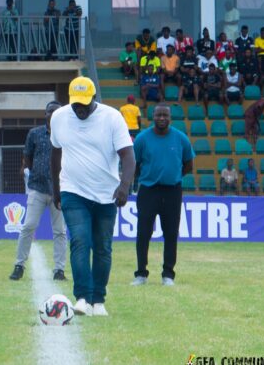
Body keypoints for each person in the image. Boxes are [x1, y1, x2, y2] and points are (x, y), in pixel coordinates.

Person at [50, 76, 135, 316]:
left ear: (94, 99)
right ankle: (82, 298)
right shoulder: (59, 118)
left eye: (85, 104)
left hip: (107, 194)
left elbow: (128, 156)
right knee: (79, 241)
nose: (80, 109)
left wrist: (124, 185)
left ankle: (98, 300)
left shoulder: (112, 118)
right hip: (73, 191)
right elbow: (55, 154)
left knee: (102, 248)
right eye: (76, 104)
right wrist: (57, 189)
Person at [133, 104, 194, 287]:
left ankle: (168, 274)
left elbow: (189, 164)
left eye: (165, 115)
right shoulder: (142, 138)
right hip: (148, 190)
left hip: (172, 191)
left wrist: (174, 176)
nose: (161, 118)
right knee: (143, 232)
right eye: (158, 114)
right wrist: (145, 177)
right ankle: (141, 274)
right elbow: (135, 164)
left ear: (170, 117)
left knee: (171, 233)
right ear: (152, 116)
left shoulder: (180, 138)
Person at [9, 101, 67, 281]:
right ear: (45, 114)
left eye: (57, 112)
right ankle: (19, 265)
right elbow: (27, 155)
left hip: (61, 189)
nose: (53, 115)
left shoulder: (67, 134)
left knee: (60, 231)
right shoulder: (34, 133)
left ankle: (59, 270)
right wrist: (35, 173)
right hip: (38, 188)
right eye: (50, 111)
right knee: (28, 226)